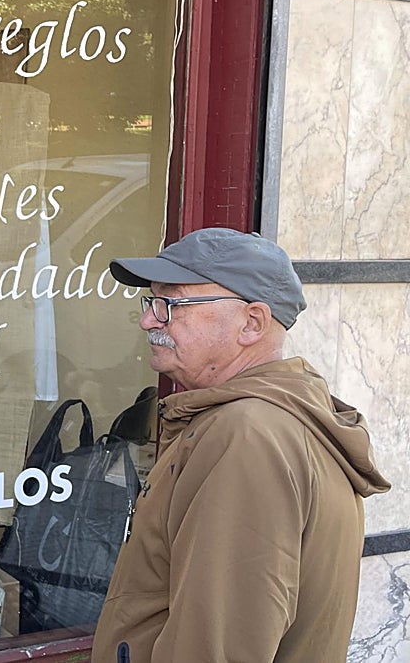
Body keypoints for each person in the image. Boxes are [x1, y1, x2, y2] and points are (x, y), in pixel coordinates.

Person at [91, 228, 389, 663]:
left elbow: (216, 648)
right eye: (151, 302)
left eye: (171, 304)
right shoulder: (263, 421)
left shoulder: (248, 435)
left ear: (252, 323)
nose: (149, 320)